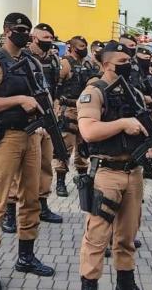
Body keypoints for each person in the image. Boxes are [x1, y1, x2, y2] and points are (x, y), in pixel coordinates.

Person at [0, 13, 54, 290]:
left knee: (31, 199)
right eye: (19, 29)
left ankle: (26, 257)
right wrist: (20, 100)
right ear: (7, 31)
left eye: (27, 29)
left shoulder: (32, 61)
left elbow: (43, 94)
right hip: (6, 139)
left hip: (31, 136)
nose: (23, 33)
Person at [77, 41, 146, 290]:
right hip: (106, 172)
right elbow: (88, 131)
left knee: (127, 237)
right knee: (96, 237)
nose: (129, 67)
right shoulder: (94, 92)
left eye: (130, 62)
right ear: (106, 65)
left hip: (133, 171)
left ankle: (125, 283)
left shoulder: (134, 93)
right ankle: (90, 283)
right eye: (122, 63)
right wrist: (122, 124)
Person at [2, 23, 63, 233]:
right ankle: (10, 212)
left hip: (48, 116)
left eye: (51, 37)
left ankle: (42, 204)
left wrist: (54, 110)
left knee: (46, 164)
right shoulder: (22, 58)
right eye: (45, 37)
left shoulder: (53, 60)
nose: (49, 40)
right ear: (34, 38)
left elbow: (54, 88)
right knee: (17, 170)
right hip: (26, 122)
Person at [54, 35, 92, 197]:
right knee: (65, 147)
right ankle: (61, 182)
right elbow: (56, 87)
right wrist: (57, 108)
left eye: (85, 46)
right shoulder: (65, 63)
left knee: (83, 147)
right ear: (73, 47)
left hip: (84, 109)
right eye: (81, 46)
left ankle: (82, 180)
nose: (84, 49)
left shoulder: (88, 64)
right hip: (68, 109)